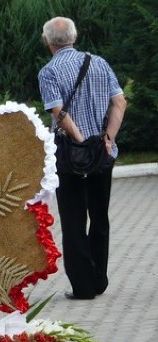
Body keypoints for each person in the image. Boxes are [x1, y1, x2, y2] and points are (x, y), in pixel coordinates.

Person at [39, 16, 126, 300]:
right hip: (102, 152)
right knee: (100, 216)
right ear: (73, 38)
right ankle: (99, 279)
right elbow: (119, 101)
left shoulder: (49, 72)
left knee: (74, 219)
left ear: (48, 42)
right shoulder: (99, 63)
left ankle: (83, 287)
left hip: (69, 154)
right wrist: (108, 138)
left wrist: (79, 141)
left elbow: (58, 112)